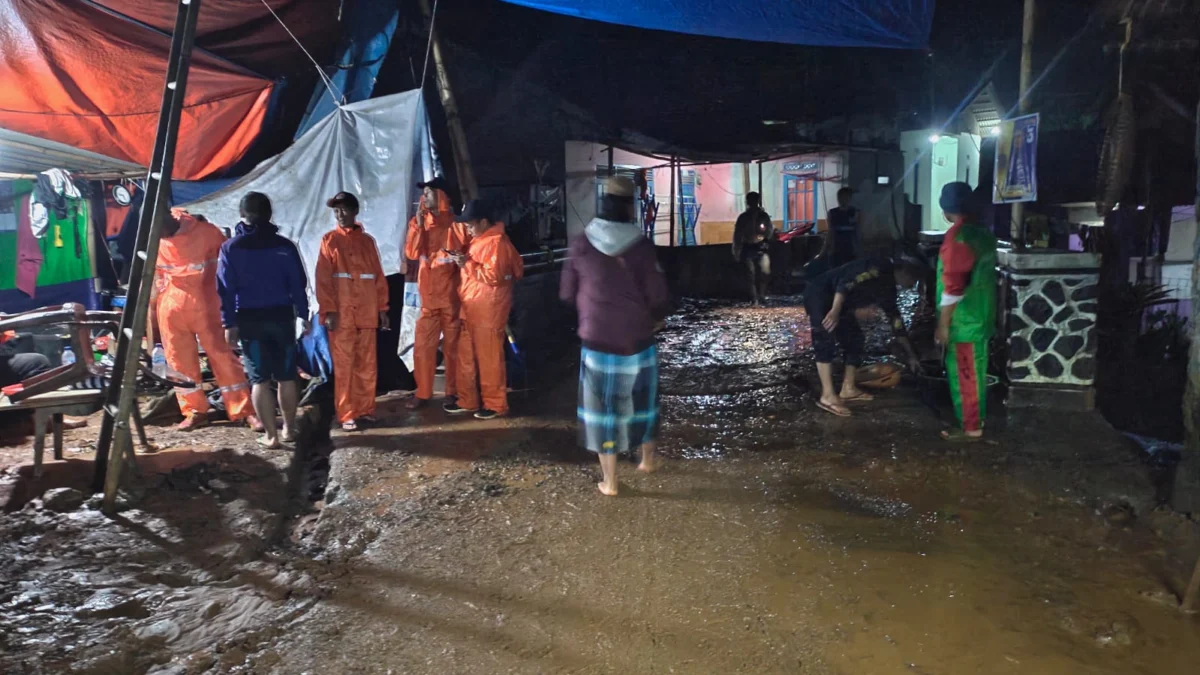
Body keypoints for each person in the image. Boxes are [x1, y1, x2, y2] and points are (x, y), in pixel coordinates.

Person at [561, 176, 671, 496]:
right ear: (630, 206)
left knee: (603, 410)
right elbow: (659, 294)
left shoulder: (581, 243)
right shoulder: (641, 245)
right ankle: (647, 461)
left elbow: (567, 293)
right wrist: (656, 317)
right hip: (638, 338)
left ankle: (610, 482)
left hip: (597, 341)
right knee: (644, 400)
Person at [217, 192, 310, 449]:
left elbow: (225, 290)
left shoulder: (231, 248)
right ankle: (290, 429)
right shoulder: (284, 246)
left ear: (241, 214)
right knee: (286, 376)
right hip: (281, 316)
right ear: (270, 215)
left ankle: (271, 436)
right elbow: (298, 284)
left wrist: (229, 323)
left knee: (259, 380)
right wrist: (304, 314)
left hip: (250, 320)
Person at [152, 209, 257, 431]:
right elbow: (154, 276)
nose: (156, 234)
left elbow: (230, 269)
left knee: (223, 357)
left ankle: (243, 410)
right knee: (178, 362)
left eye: (157, 229)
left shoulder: (207, 232)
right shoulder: (153, 239)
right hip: (171, 308)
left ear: (167, 220)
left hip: (208, 306)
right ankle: (194, 411)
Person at [805, 256, 924, 417]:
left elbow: (896, 323)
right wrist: (835, 311)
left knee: (855, 339)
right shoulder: (878, 266)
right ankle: (827, 395)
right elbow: (846, 283)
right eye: (913, 279)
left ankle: (848, 388)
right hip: (821, 294)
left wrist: (911, 356)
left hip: (842, 304)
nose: (912, 285)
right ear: (903, 272)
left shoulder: (889, 289)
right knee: (824, 338)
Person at [316, 192, 390, 432]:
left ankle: (365, 410)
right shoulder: (329, 241)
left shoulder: (368, 242)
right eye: (336, 211)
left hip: (367, 313)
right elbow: (323, 280)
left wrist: (383, 308)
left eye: (344, 210)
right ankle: (347, 413)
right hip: (342, 315)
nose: (340, 214)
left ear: (355, 212)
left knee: (367, 365)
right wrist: (328, 311)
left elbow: (378, 277)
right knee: (345, 366)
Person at [443, 200, 523, 420]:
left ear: (484, 222)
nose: (467, 228)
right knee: (466, 357)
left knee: (489, 360)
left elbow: (494, 276)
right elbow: (516, 269)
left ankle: (495, 404)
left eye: (470, 224)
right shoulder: (483, 241)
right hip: (473, 307)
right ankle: (467, 400)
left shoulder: (496, 243)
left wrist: (465, 264)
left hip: (488, 310)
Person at [934, 182, 998, 441]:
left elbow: (953, 285)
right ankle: (975, 421)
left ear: (947, 211)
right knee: (976, 370)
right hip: (981, 315)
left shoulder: (958, 237)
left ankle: (971, 428)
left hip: (964, 320)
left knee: (966, 374)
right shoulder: (982, 233)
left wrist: (943, 323)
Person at [403, 177, 468, 410]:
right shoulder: (418, 223)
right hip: (428, 301)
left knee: (453, 350)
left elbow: (467, 259)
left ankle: (452, 392)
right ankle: (422, 392)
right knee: (422, 349)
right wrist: (419, 226)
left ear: (442, 197)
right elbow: (411, 253)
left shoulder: (457, 224)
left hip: (452, 300)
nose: (424, 197)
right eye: (424, 193)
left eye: (429, 193)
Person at [731, 191, 774, 305]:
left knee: (764, 272)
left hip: (761, 247)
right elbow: (737, 234)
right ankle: (754, 298)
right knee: (750, 274)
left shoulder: (763, 216)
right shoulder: (743, 217)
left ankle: (761, 296)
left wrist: (765, 238)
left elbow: (769, 230)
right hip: (748, 247)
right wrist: (736, 249)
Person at [821, 187, 861, 269]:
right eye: (840, 197)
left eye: (846, 197)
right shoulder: (833, 213)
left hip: (851, 249)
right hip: (836, 249)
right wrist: (824, 250)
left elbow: (858, 231)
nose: (842, 199)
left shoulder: (855, 212)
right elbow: (830, 232)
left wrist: (859, 249)